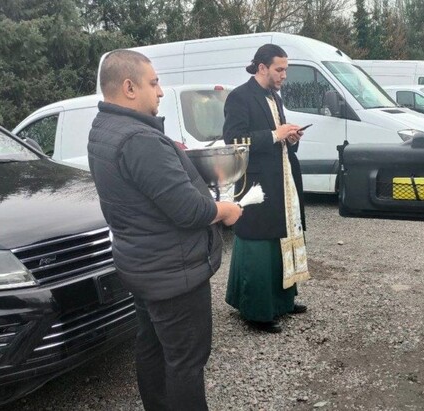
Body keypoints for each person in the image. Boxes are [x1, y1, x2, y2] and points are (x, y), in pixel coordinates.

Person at [87, 49, 242, 411]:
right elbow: (189, 211)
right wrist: (227, 209)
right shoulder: (138, 139)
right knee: (186, 363)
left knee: (152, 347)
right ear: (129, 87)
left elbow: (151, 192)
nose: (159, 92)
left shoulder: (104, 128)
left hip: (142, 265)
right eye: (154, 83)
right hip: (174, 273)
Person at [223, 44, 310, 334]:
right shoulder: (239, 96)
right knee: (259, 242)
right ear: (262, 67)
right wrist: (275, 134)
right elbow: (233, 141)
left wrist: (290, 137)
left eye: (285, 69)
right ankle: (256, 311)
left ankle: (282, 301)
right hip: (255, 184)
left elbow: (277, 138)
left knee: (281, 237)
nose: (284, 75)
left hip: (281, 177)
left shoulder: (275, 96)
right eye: (279, 69)